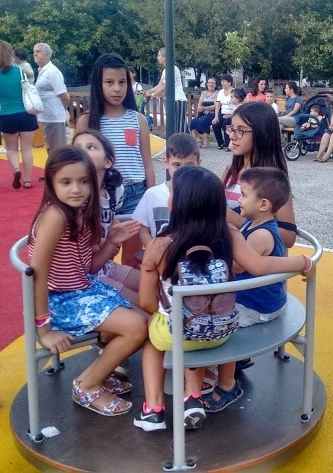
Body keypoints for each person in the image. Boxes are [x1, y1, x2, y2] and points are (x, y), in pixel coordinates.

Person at [133, 165, 315, 432]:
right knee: (195, 326)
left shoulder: (160, 245)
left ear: (178, 203)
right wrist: (303, 262)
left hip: (179, 333)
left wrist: (156, 313)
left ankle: (154, 409)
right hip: (220, 332)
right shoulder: (230, 234)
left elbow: (147, 302)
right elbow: (259, 266)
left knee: (153, 339)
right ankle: (192, 396)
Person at [29, 146, 148, 415]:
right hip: (58, 302)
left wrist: (111, 242)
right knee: (137, 327)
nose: (76, 189)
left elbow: (88, 268)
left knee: (146, 320)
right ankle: (88, 385)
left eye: (83, 181)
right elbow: (37, 275)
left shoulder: (81, 212)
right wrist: (44, 330)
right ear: (51, 183)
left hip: (82, 289)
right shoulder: (55, 216)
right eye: (66, 182)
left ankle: (99, 373)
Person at [201, 166, 291, 413]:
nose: (238, 200)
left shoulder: (260, 235)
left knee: (220, 323)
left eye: (243, 195)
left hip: (257, 306)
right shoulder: (252, 224)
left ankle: (227, 385)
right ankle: (218, 365)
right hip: (250, 298)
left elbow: (237, 266)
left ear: (263, 204)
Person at [75, 52, 155, 215]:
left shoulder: (138, 120)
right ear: (98, 84)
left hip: (135, 194)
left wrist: (152, 200)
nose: (117, 89)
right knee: (102, 233)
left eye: (122, 82)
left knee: (134, 232)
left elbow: (147, 165)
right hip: (100, 193)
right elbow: (78, 164)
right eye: (109, 82)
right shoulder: (87, 121)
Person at [71, 129, 143, 305]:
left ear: (108, 161)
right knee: (141, 304)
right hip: (84, 272)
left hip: (104, 264)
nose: (82, 151)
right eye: (77, 147)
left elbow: (110, 217)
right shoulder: (74, 196)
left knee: (154, 286)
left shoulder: (114, 190)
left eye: (90, 147)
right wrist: (107, 243)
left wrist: (116, 232)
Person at [223, 102, 298, 247]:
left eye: (241, 130)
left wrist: (240, 221)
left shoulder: (272, 180)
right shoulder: (231, 170)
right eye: (232, 129)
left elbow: (289, 237)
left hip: (250, 255)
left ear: (262, 134)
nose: (232, 136)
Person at [0, 40, 39, 189]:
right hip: (26, 113)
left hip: (7, 114)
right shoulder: (20, 71)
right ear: (11, 53)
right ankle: (27, 180)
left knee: (11, 148)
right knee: (27, 149)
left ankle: (16, 169)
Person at [133, 132, 201, 246]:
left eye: (189, 165)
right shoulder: (152, 194)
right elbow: (143, 229)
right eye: (177, 165)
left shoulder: (204, 194)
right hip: (160, 255)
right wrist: (154, 251)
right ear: (165, 162)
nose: (183, 171)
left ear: (199, 163)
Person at [33, 43, 71, 154]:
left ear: (48, 54)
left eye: (38, 51)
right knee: (51, 149)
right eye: (34, 52)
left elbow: (65, 96)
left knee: (57, 151)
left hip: (54, 118)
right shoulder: (42, 71)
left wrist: (61, 111)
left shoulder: (52, 72)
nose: (34, 54)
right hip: (46, 117)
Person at [146, 47, 188, 133]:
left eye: (159, 55)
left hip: (178, 99)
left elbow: (166, 85)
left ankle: (184, 141)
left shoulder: (172, 68)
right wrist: (149, 91)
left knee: (180, 126)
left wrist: (153, 94)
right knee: (174, 126)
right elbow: (159, 85)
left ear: (165, 57)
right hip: (172, 100)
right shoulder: (165, 70)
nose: (157, 57)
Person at [189, 77, 218, 148]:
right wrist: (200, 109)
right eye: (209, 82)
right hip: (202, 113)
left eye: (212, 83)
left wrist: (205, 108)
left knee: (204, 121)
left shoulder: (217, 93)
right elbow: (199, 105)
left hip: (212, 113)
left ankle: (205, 140)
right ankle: (196, 140)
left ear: (215, 85)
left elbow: (215, 106)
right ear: (207, 84)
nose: (210, 84)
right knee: (194, 121)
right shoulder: (203, 93)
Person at [212, 74, 236, 150]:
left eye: (224, 81)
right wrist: (216, 116)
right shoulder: (220, 92)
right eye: (222, 81)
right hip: (222, 113)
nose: (222, 83)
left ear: (229, 82)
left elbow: (237, 105)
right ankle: (220, 143)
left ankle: (228, 144)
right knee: (215, 124)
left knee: (226, 123)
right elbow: (218, 105)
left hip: (232, 114)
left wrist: (230, 115)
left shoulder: (234, 92)